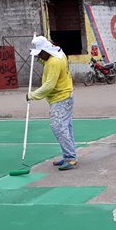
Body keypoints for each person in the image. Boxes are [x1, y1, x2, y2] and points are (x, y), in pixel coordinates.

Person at [28, 35, 78, 171]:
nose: (39, 57)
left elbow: (49, 85)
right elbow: (46, 62)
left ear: (45, 51)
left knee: (59, 127)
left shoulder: (53, 63)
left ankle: (70, 157)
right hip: (65, 95)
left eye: (40, 54)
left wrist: (32, 95)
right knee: (65, 127)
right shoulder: (58, 53)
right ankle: (69, 155)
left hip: (60, 97)